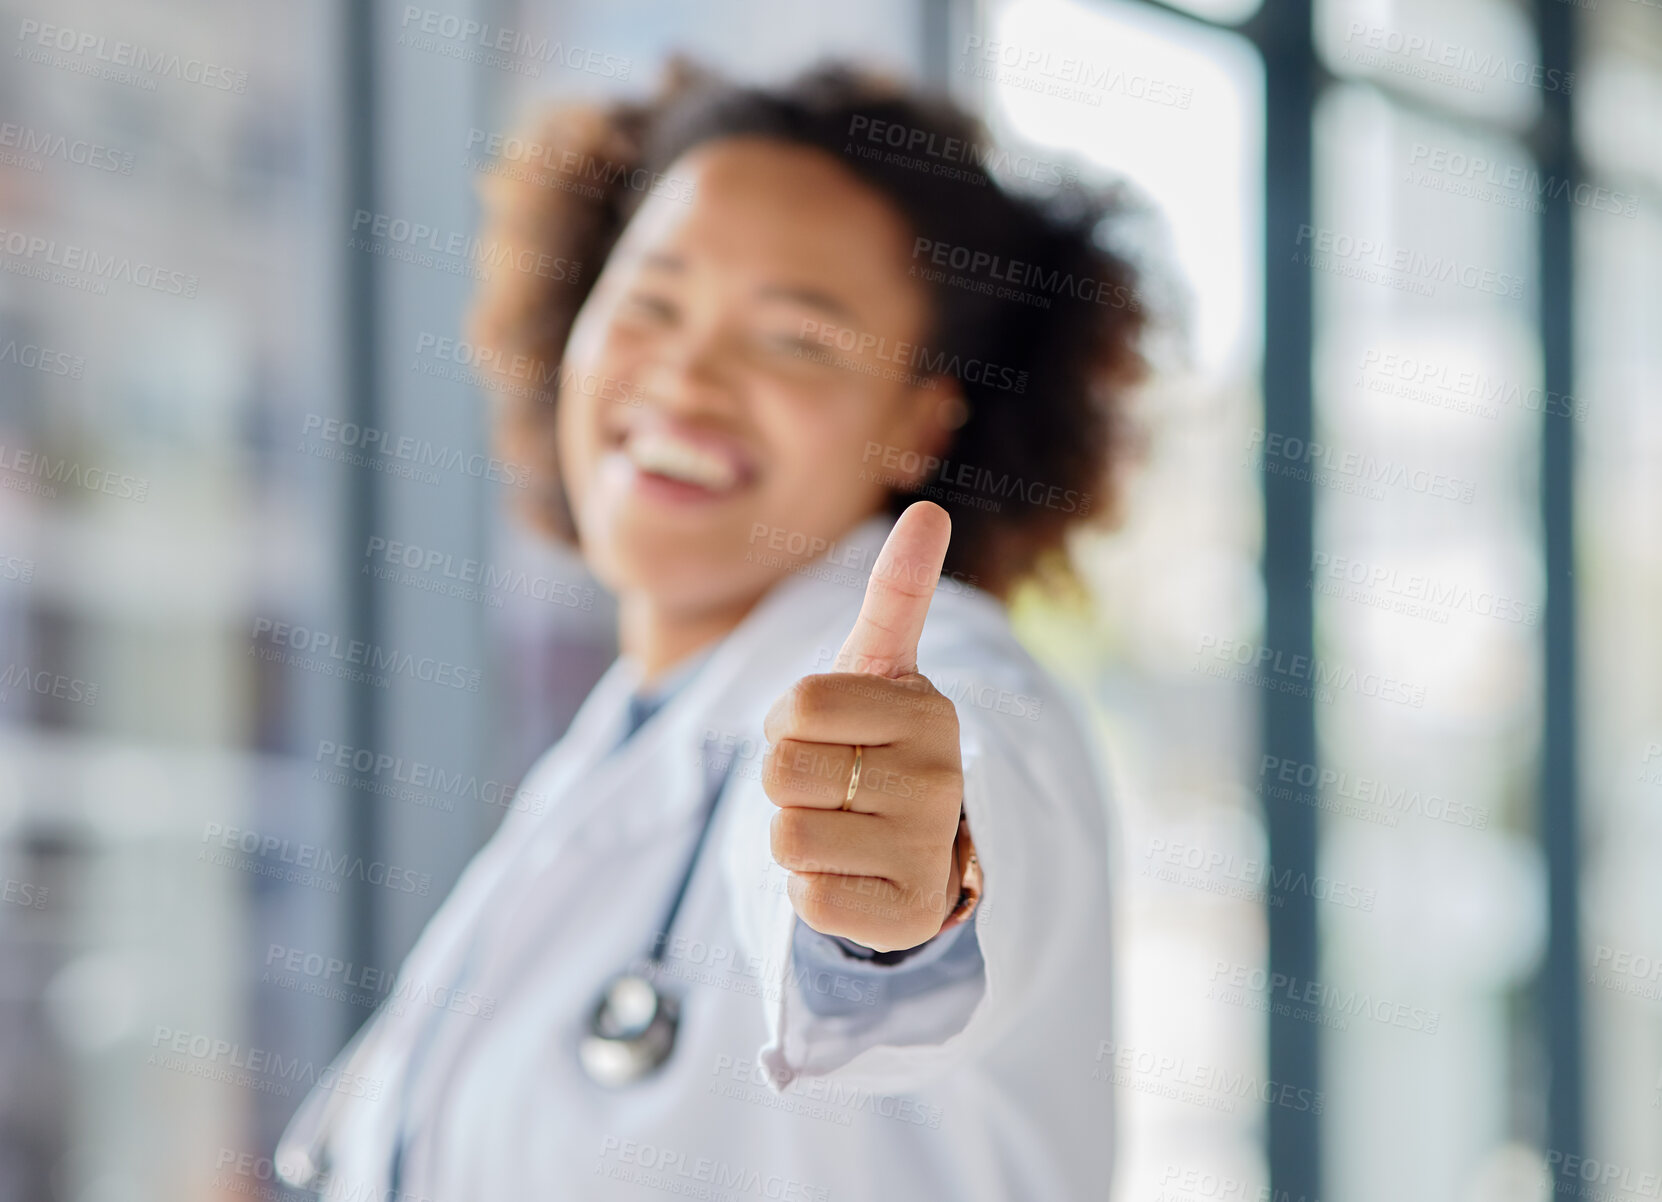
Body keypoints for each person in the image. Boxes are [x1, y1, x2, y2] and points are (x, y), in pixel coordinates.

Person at [279, 59, 1149, 1201]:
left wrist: (905, 903)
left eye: (795, 338)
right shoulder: (622, 739)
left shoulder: (949, 682)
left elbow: (962, 835)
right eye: (649, 300)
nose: (687, 375)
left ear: (919, 421)